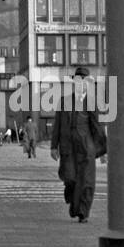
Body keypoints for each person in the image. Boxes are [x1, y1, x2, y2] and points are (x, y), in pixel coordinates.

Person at [50, 67, 106, 222]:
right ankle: (74, 203)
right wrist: (54, 146)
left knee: (87, 181)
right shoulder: (64, 101)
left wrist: (103, 150)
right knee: (70, 178)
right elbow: (57, 125)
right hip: (68, 148)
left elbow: (98, 128)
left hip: (86, 148)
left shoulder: (93, 103)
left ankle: (83, 213)